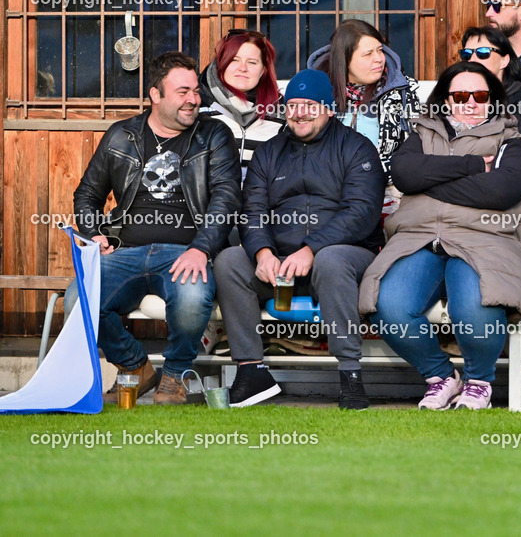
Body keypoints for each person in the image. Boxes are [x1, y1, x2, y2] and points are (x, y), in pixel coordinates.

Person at [358, 62, 521, 410]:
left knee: (476, 306)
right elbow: (405, 174)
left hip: (484, 239)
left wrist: (430, 183)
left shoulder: (509, 140)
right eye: (461, 95)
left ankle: (478, 382)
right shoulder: (421, 134)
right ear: (445, 100)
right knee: (384, 303)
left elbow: (501, 191)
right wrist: (473, 167)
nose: (471, 102)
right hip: (417, 237)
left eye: (480, 95)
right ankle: (441, 377)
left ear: (492, 100)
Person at [69, 52, 241, 404]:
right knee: (77, 298)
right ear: (156, 95)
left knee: (192, 298)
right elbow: (87, 194)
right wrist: (93, 233)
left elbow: (226, 199)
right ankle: (134, 365)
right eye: (182, 92)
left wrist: (201, 248)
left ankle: (175, 376)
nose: (193, 99)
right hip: (125, 250)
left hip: (186, 250)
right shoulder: (121, 135)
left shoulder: (214, 136)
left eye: (195, 91)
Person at [213, 69, 385, 409]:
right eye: (292, 105)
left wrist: (312, 248)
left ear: (329, 109)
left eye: (310, 105)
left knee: (331, 260)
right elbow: (253, 211)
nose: (300, 112)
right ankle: (251, 373)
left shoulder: (356, 148)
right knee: (230, 260)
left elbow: (361, 213)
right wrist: (262, 252)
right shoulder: (269, 152)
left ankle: (350, 376)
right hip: (280, 268)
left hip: (346, 261)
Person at [308, 19, 421, 219]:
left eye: (380, 50)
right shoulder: (318, 95)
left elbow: (414, 151)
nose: (379, 59)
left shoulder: (402, 93)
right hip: (326, 195)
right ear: (344, 59)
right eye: (368, 54)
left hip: (388, 195)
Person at [460, 27, 521, 181]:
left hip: (502, 191)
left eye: (483, 53)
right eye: (466, 54)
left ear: (505, 60)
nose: (472, 60)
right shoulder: (452, 102)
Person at [199, 29, 286, 182]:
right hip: (210, 205)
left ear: (263, 70)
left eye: (252, 62)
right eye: (234, 60)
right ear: (221, 63)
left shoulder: (281, 114)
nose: (243, 68)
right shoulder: (198, 109)